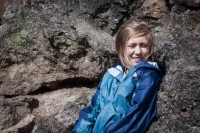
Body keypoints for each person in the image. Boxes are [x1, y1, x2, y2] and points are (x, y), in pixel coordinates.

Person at [72, 20, 163, 133]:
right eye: (132, 46)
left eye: (144, 45)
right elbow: (93, 110)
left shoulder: (148, 75)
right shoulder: (111, 75)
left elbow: (136, 118)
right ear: (121, 48)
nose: (138, 51)